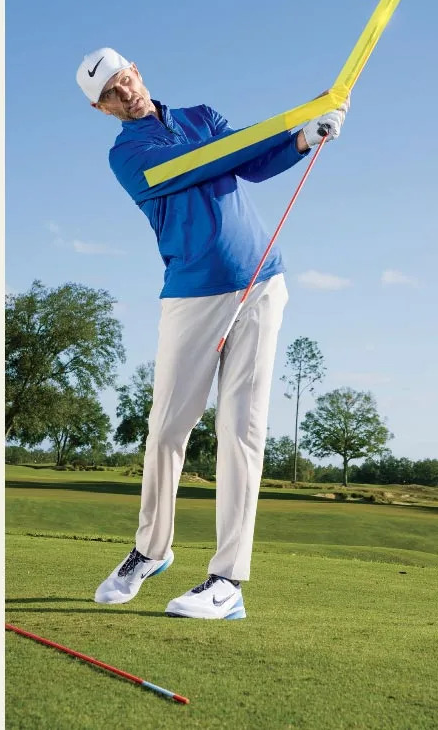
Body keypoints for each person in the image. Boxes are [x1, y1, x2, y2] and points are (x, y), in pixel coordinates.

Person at [76, 47, 347, 619]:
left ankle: (228, 582)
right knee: (167, 429)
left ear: (139, 72)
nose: (128, 92)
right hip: (194, 291)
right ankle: (151, 550)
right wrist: (286, 128)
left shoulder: (201, 114)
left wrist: (302, 139)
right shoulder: (128, 155)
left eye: (129, 79)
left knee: (241, 429)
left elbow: (250, 160)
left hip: (263, 282)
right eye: (114, 93)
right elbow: (206, 162)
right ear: (102, 108)